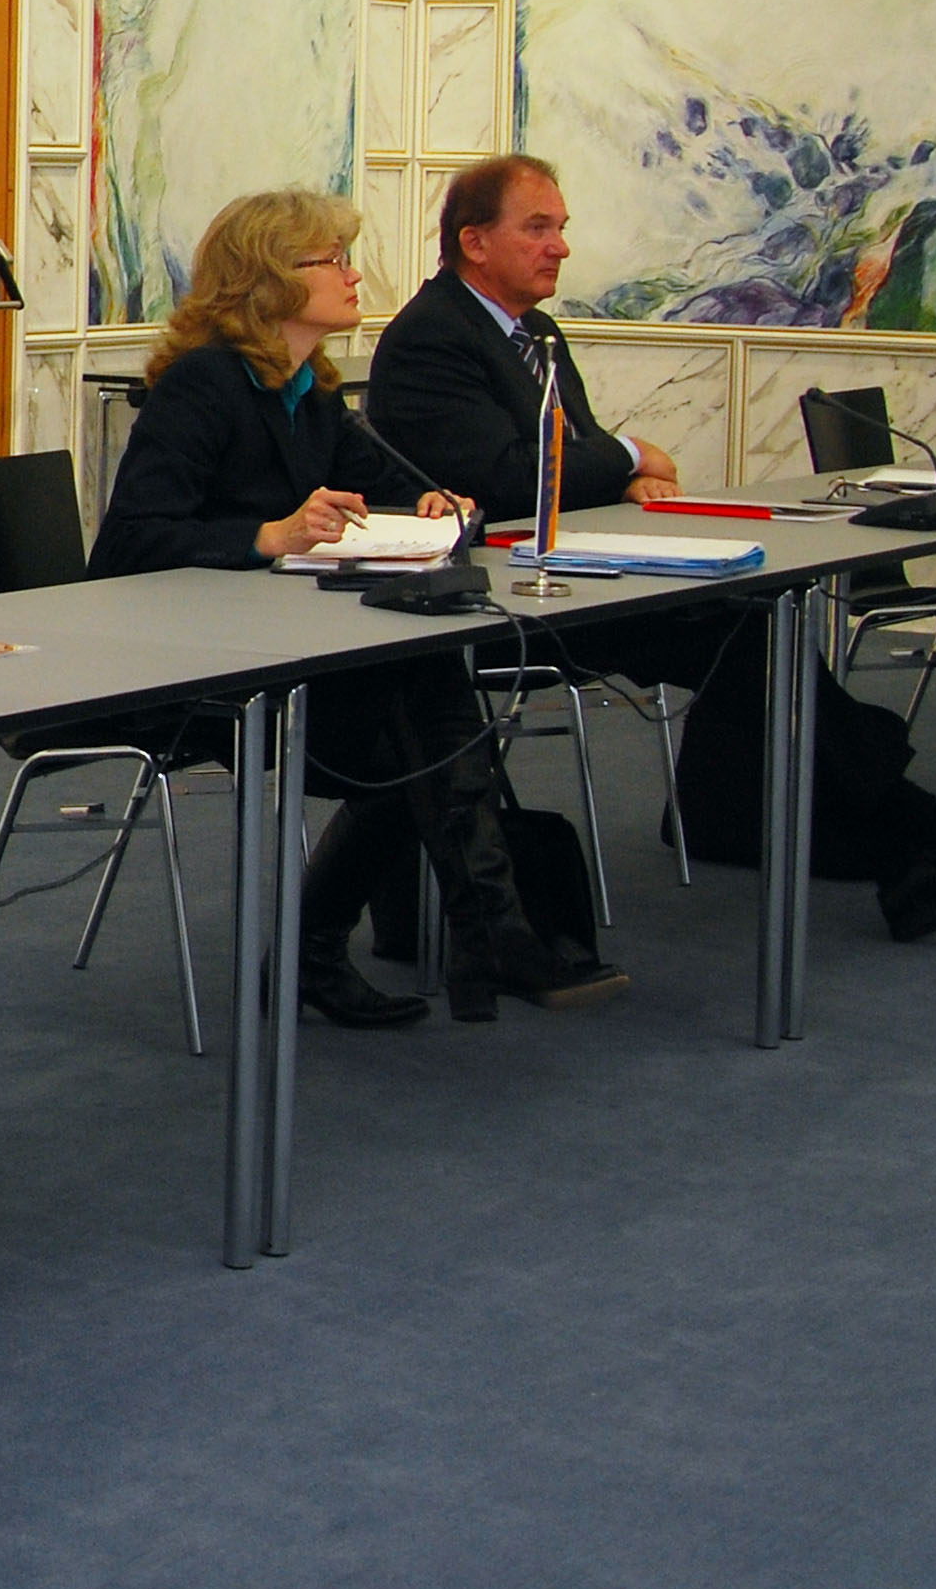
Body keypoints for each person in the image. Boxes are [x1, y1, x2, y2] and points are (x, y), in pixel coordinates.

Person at [365, 154, 936, 942]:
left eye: (560, 227)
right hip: (496, 604)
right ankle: (920, 835)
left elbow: (569, 456)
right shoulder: (432, 337)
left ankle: (864, 840)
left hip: (574, 574)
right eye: (538, 228)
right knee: (745, 637)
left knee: (752, 619)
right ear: (474, 241)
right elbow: (512, 474)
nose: (560, 246)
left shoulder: (537, 332)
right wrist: (632, 455)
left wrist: (620, 474)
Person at [88, 188, 626, 1024]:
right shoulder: (203, 386)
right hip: (195, 666)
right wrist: (265, 535)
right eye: (332, 260)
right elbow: (128, 544)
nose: (353, 274)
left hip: (290, 650)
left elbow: (389, 488)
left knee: (426, 707)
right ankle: (460, 937)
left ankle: (436, 937)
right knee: (421, 731)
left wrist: (436, 506)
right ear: (269, 277)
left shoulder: (310, 390)